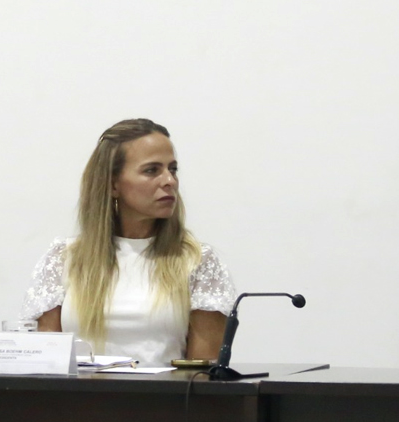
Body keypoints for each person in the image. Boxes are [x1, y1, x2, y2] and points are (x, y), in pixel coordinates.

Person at [22, 119, 238, 367]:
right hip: (80, 392)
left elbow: (203, 374)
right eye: (152, 170)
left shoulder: (198, 261)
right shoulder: (64, 258)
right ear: (113, 184)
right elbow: (47, 363)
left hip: (165, 392)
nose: (169, 181)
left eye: (173, 169)